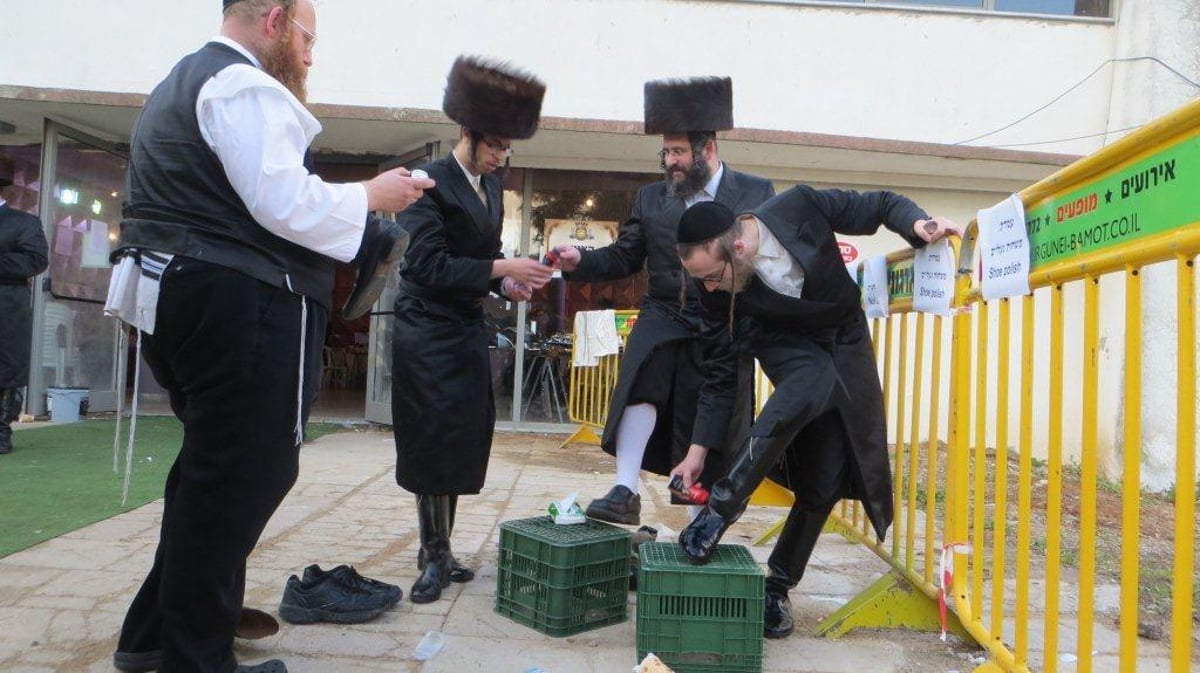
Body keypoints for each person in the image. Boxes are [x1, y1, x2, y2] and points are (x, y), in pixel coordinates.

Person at [105, 1, 431, 671]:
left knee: (212, 474)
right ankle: (194, 654)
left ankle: (154, 632)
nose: (310, 56)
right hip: (238, 303)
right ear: (275, 19)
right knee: (246, 475)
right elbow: (282, 201)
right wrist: (373, 195)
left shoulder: (181, 80)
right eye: (308, 39)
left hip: (181, 299)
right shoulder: (242, 82)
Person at [672, 196, 959, 639]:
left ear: (739, 248)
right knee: (808, 382)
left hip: (841, 338)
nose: (709, 290)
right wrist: (697, 451)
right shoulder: (715, 292)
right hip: (780, 342)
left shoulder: (799, 207)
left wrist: (917, 224)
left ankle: (779, 586)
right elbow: (720, 374)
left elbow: (877, 205)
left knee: (825, 477)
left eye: (712, 277)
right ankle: (721, 508)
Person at [553, 77, 774, 526]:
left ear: (707, 149)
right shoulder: (651, 198)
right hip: (664, 310)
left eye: (678, 152)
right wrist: (581, 260)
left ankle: (700, 522)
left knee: (710, 413)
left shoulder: (755, 193)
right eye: (666, 152)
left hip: (726, 319)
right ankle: (624, 489)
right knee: (643, 369)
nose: (670, 161)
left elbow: (767, 260)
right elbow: (626, 256)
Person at [392, 55, 551, 604]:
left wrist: (506, 285)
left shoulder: (492, 186)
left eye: (508, 148)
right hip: (425, 330)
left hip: (463, 327)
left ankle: (443, 546)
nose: (502, 156)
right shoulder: (427, 183)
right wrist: (503, 271)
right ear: (468, 132)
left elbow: (486, 256)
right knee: (431, 440)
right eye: (496, 146)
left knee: (459, 439)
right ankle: (432, 554)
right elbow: (427, 267)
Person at [0, 156, 49, 455]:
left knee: (6, 369)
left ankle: (2, 432)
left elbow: (36, 260)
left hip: (6, 307)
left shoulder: (23, 222)